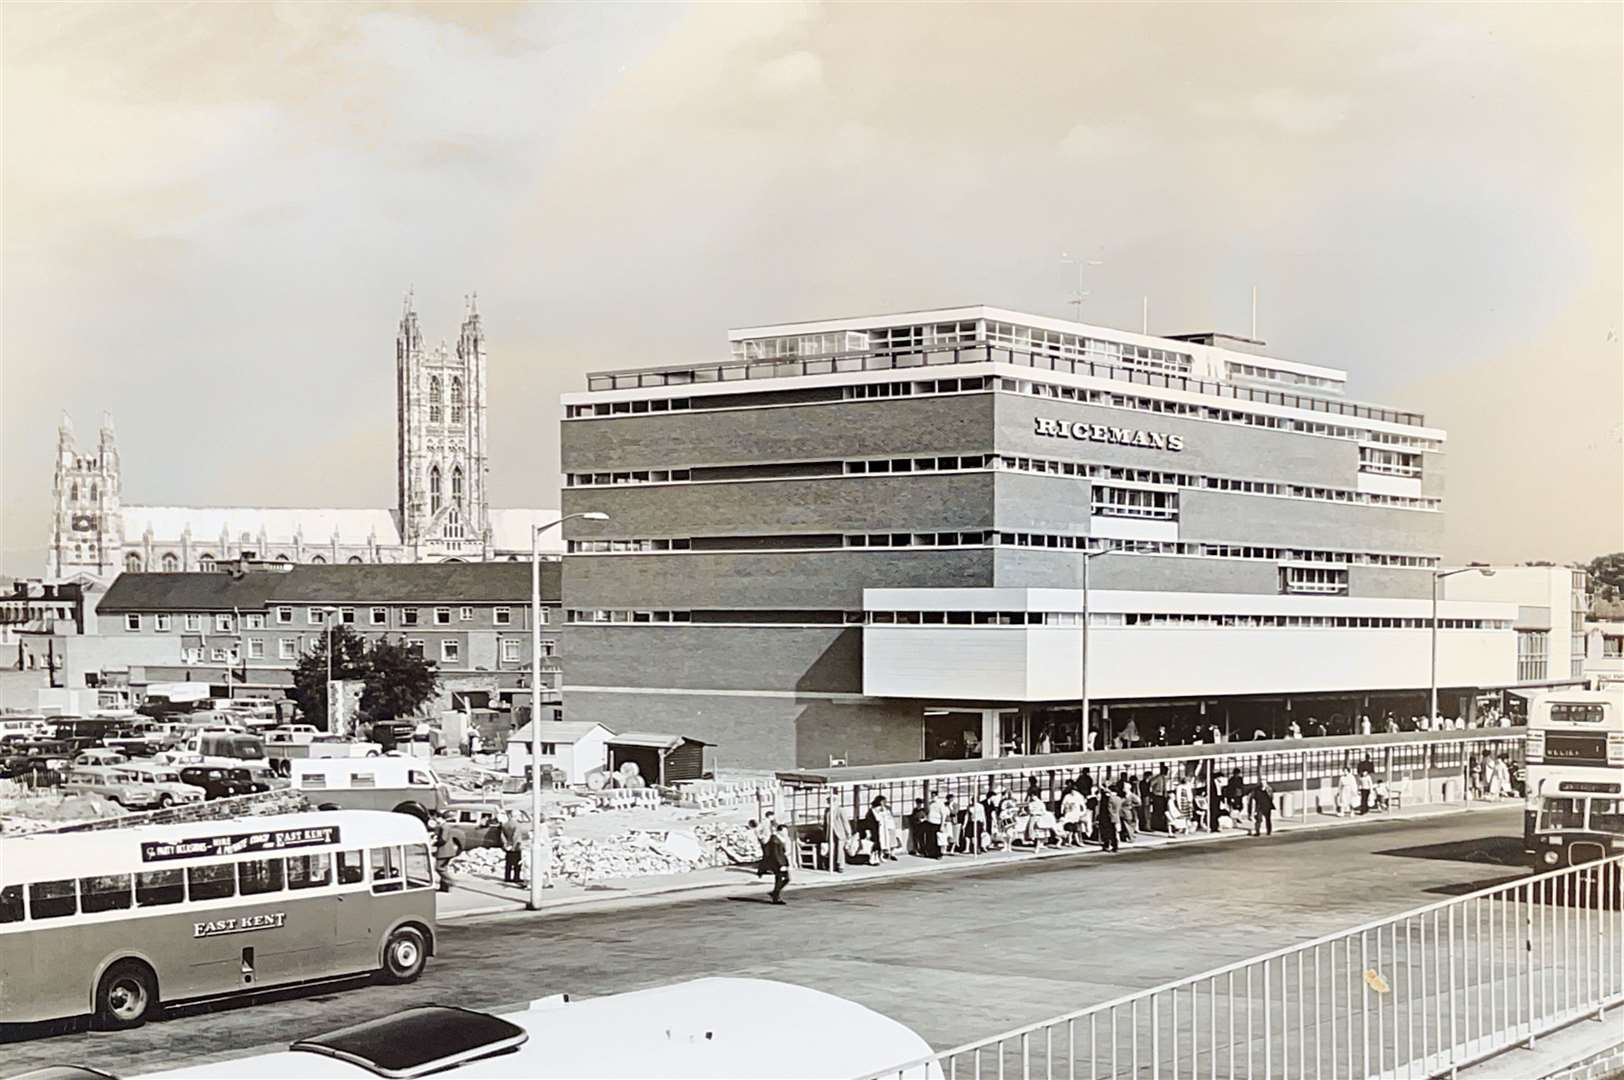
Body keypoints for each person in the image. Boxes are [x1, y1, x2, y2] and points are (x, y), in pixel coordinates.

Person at [761, 824, 791, 904]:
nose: (786, 833)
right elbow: (775, 854)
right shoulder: (775, 840)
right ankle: (775, 896)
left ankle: (775, 893)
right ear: (780, 831)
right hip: (778, 863)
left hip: (780, 862)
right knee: (781, 879)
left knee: (783, 879)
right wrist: (781, 865)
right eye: (785, 831)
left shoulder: (779, 838)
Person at [430, 813, 457, 893]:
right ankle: (444, 887)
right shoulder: (443, 826)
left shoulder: (445, 827)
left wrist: (434, 842)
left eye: (436, 819)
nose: (435, 821)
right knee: (443, 868)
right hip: (447, 851)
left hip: (444, 851)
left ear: (440, 818)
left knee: (439, 868)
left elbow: (443, 839)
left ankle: (450, 882)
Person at [824, 797, 852, 873]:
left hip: (840, 833)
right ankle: (832, 865)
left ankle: (841, 866)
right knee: (832, 849)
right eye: (828, 801)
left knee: (840, 850)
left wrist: (848, 833)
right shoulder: (827, 811)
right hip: (831, 833)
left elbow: (845, 822)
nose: (829, 803)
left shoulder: (841, 810)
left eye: (831, 801)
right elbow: (825, 823)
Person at [499, 809, 524, 886]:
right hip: (515, 847)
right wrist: (514, 846)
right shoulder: (517, 825)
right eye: (519, 815)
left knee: (508, 863)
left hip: (507, 845)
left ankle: (507, 877)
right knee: (517, 864)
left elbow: (502, 835)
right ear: (516, 816)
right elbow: (516, 837)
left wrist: (505, 844)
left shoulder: (505, 824)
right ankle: (516, 877)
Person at [1060, 781, 1086, 846]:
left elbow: (1083, 806)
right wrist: (1062, 811)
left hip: (1076, 814)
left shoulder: (1079, 796)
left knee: (1077, 829)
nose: (1073, 792)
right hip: (1068, 814)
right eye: (1072, 791)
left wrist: (1082, 813)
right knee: (1068, 828)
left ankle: (1078, 841)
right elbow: (1063, 804)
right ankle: (1068, 841)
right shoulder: (1067, 796)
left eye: (1074, 791)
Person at [1099, 784, 1122, 853]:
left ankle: (1108, 845)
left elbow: (1109, 809)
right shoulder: (1118, 798)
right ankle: (1115, 846)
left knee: (1109, 832)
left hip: (1110, 818)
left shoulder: (1110, 799)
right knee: (1114, 833)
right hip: (1116, 817)